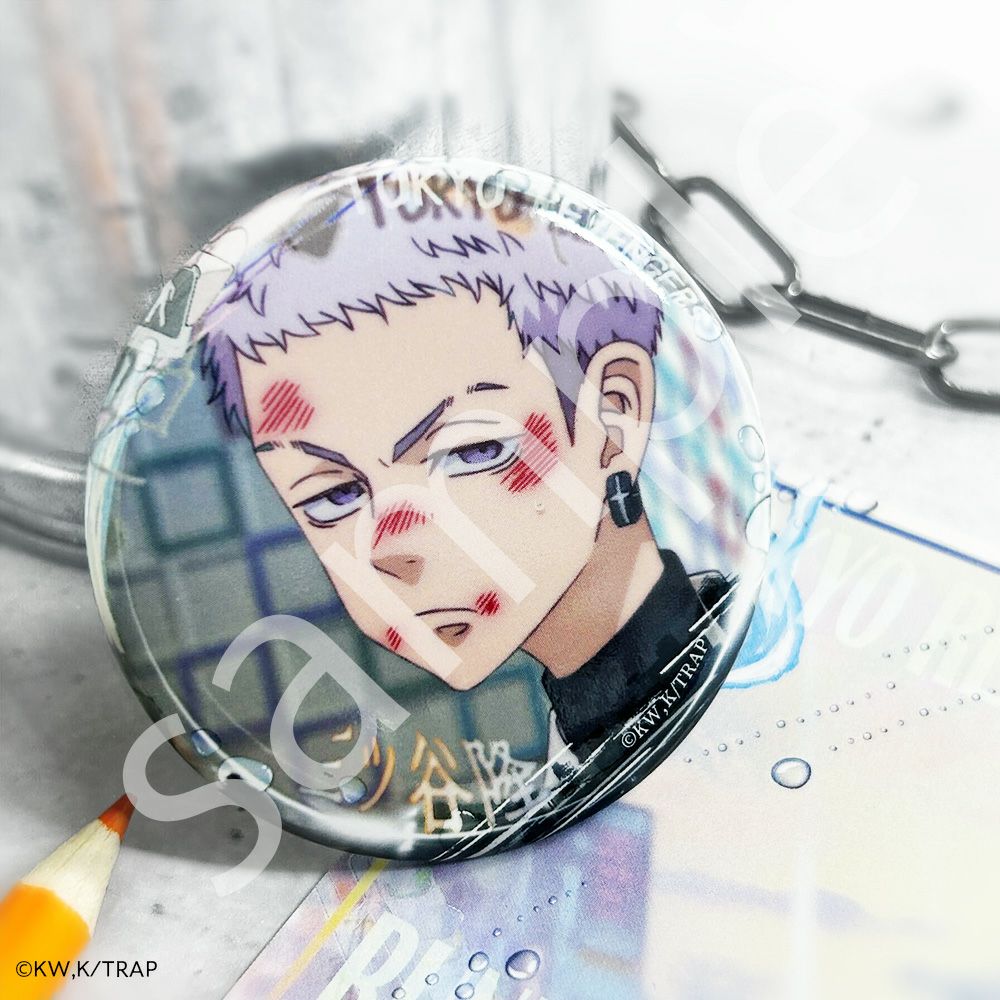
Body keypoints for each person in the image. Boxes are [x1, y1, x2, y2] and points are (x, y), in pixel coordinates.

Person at [198, 174, 731, 752]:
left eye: (471, 451)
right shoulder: (546, 769)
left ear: (612, 412)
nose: (389, 550)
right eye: (334, 496)